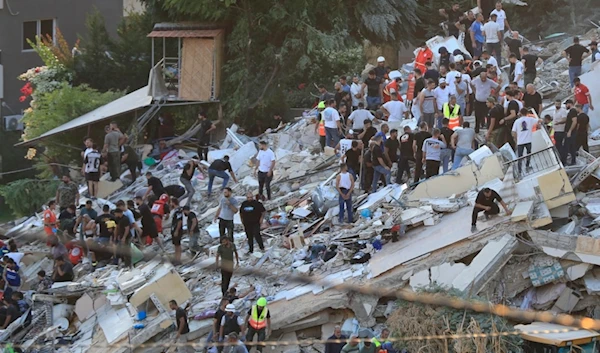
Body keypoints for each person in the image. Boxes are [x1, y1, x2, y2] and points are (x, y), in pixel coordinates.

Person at [511, 108, 539, 174]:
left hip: (520, 142)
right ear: (527, 113)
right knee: (528, 154)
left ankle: (519, 171)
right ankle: (527, 166)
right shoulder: (530, 119)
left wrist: (516, 140)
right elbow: (539, 120)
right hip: (528, 140)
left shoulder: (517, 121)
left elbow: (513, 132)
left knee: (520, 157)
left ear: (520, 113)